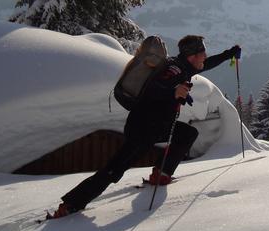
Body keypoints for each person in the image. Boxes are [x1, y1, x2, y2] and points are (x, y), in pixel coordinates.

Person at [49, 35, 241, 218]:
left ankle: (162, 173)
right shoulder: (174, 69)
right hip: (144, 128)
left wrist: (229, 54)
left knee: (187, 134)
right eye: (203, 53)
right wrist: (173, 91)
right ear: (192, 56)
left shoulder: (184, 66)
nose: (205, 57)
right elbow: (153, 89)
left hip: (157, 125)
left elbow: (206, 65)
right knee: (114, 169)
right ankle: (71, 204)